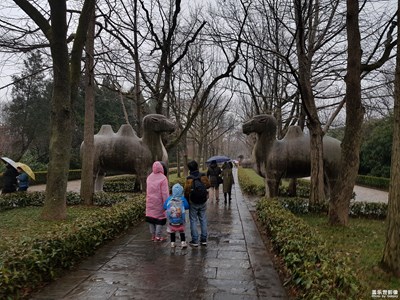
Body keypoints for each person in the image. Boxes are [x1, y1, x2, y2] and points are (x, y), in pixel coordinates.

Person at [184, 160, 210, 247]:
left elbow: (186, 192)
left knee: (193, 220)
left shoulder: (189, 179)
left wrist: (187, 201)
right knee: (203, 219)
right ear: (197, 167)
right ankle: (203, 240)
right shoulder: (203, 176)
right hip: (203, 201)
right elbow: (208, 185)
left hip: (193, 202)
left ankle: (195, 240)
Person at [145, 161, 169, 242]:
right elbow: (165, 193)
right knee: (159, 219)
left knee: (151, 218)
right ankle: (158, 236)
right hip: (159, 203)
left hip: (150, 202)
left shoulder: (149, 177)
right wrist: (166, 204)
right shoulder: (163, 178)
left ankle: (153, 235)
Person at [163, 183, 189, 248]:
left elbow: (165, 207)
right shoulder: (183, 199)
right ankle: (183, 242)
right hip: (181, 220)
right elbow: (187, 206)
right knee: (181, 231)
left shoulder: (169, 199)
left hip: (171, 220)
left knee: (172, 232)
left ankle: (172, 243)